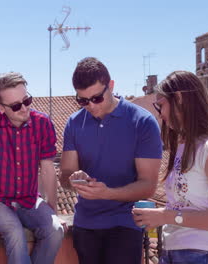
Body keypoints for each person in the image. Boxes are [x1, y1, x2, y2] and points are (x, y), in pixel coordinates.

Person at [132, 71, 208, 264]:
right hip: (178, 253)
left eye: (161, 106)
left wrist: (166, 216)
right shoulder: (184, 147)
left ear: (179, 98)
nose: (160, 114)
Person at [60, 57, 163, 264]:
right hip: (85, 225)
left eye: (97, 98)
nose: (90, 106)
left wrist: (108, 193)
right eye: (82, 100)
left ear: (112, 86)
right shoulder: (74, 123)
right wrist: (74, 179)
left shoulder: (142, 122)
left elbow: (148, 186)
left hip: (124, 224)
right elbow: (64, 175)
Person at [0, 72, 64, 264]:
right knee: (14, 232)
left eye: (27, 100)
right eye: (15, 106)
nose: (24, 108)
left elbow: (48, 169)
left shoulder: (42, 122)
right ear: (0, 107)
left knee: (55, 230)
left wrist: (53, 211)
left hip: (29, 198)